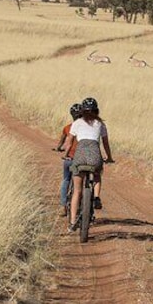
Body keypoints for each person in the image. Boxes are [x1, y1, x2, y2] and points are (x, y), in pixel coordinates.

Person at [65, 97, 114, 231]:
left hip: (80, 155)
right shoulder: (101, 124)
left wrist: (66, 154)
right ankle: (97, 197)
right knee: (97, 173)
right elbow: (105, 143)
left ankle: (72, 222)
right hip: (95, 155)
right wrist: (109, 157)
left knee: (77, 191)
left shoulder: (77, 123)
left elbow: (69, 142)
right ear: (97, 110)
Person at [53, 102, 83, 215]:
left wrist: (58, 148)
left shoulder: (67, 128)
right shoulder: (85, 128)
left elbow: (61, 142)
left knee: (66, 180)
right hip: (81, 159)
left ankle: (63, 206)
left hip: (69, 159)